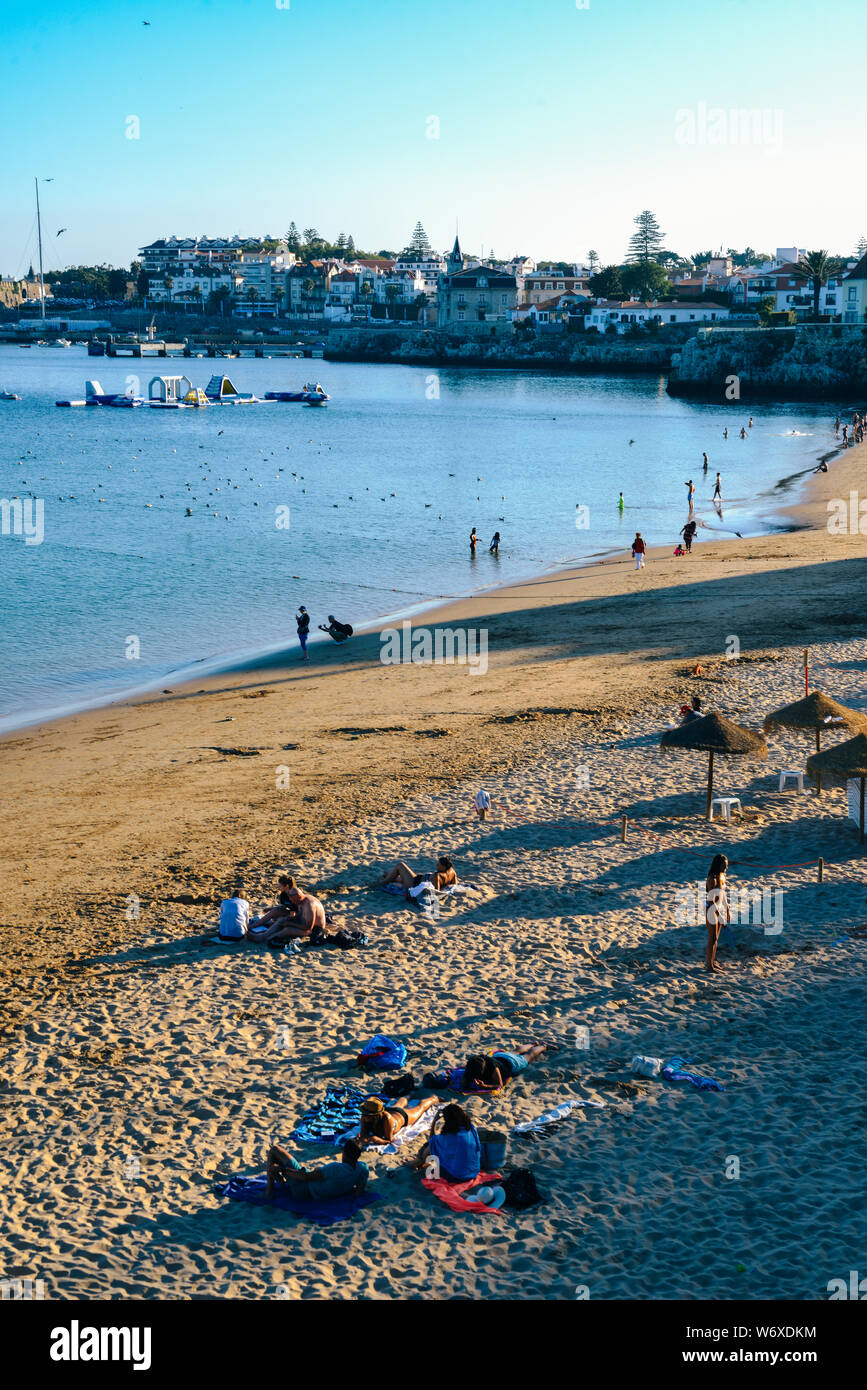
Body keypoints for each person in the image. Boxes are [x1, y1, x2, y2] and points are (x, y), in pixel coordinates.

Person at [266, 1138, 369, 1201]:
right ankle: (281, 1180)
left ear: (344, 1153)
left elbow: (305, 1177)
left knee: (274, 1150)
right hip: (319, 1192)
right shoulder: (363, 1169)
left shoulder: (335, 1168)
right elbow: (358, 1192)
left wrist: (282, 1169)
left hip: (302, 1189)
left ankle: (269, 1191)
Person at [460, 1042, 552, 1092]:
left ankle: (543, 1046)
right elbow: (464, 1079)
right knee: (516, 1051)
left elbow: (500, 1084)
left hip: (512, 1063)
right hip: (500, 1056)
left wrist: (485, 1086)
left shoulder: (494, 1069)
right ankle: (532, 1043)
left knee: (529, 1056)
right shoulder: (475, 1063)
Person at [425, 1104, 481, 1183]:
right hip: (474, 1172)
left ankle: (417, 1163)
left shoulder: (448, 1136)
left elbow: (432, 1140)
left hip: (457, 1176)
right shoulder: (471, 1128)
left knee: (428, 1148)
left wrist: (435, 1121)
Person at [259, 883, 326, 943]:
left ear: (299, 897)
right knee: (282, 920)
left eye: (292, 900)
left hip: (314, 930)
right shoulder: (301, 900)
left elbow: (308, 927)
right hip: (303, 923)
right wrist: (290, 919)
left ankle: (267, 938)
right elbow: (300, 915)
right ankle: (263, 934)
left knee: (288, 929)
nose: (291, 901)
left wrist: (289, 923)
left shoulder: (309, 905)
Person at [359, 1095, 438, 1146]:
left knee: (420, 1108)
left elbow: (388, 1140)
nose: (364, 1115)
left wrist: (376, 1139)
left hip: (402, 1116)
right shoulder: (364, 1116)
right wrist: (364, 1137)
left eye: (367, 1114)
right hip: (391, 1110)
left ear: (374, 1115)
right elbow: (363, 1133)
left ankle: (434, 1098)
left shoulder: (387, 1119)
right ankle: (409, 1095)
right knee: (401, 1102)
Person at [705, 853, 731, 973]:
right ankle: (708, 966)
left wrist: (727, 910)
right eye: (724, 866)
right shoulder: (711, 878)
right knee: (712, 938)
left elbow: (723, 894)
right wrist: (720, 914)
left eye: (726, 866)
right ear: (718, 865)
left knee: (716, 939)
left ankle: (712, 962)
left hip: (719, 908)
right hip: (711, 909)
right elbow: (711, 900)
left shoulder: (722, 876)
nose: (725, 868)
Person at [380, 856, 456, 892]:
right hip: (418, 878)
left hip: (413, 883)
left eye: (438, 865)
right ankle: (388, 876)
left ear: (444, 866)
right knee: (400, 876)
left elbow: (436, 892)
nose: (436, 866)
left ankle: (382, 883)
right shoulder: (452, 872)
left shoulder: (437, 876)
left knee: (400, 865)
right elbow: (454, 885)